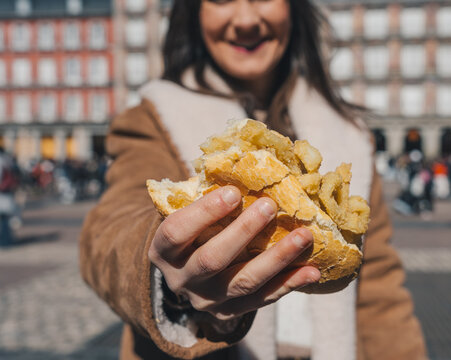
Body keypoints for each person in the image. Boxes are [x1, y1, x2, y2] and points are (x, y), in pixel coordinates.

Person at [80, 1, 427, 359]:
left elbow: (379, 292)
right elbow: (108, 235)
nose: (246, 20)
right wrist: (165, 269)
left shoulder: (351, 133)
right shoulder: (151, 118)